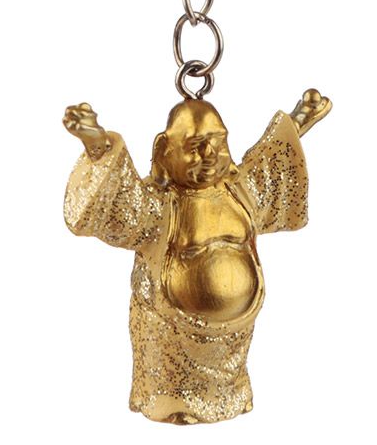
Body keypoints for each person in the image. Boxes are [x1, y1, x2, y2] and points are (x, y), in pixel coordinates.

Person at [62, 89, 331, 424]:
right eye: (195, 146)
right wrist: (97, 144)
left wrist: (299, 121)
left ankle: (231, 397)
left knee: (231, 384)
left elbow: (269, 165)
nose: (210, 155)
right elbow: (123, 204)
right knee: (172, 388)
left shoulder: (240, 193)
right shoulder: (161, 206)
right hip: (173, 342)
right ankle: (171, 403)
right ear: (165, 150)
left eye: (218, 142)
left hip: (234, 340)